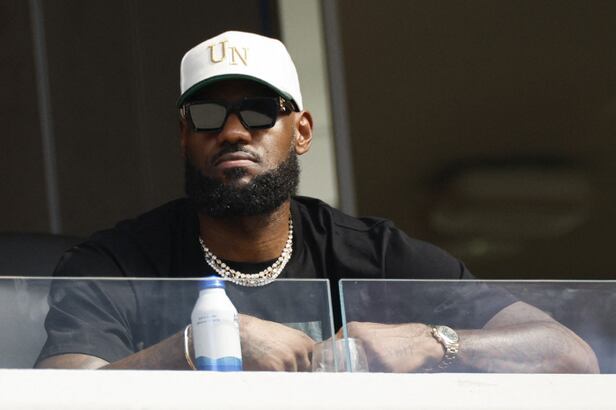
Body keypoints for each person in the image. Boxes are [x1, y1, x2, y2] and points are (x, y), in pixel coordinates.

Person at [35, 31, 599, 373]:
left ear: (301, 131)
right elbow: (64, 393)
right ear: (185, 137)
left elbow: (568, 354)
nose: (233, 132)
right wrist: (200, 342)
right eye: (207, 116)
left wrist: (432, 341)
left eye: (259, 111)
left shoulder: (376, 256)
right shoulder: (116, 263)